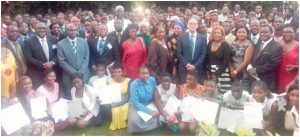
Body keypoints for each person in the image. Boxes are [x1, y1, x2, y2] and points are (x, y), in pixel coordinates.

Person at [57, 23, 90, 99]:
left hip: (83, 73)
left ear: (77, 31)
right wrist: (74, 72)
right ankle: (75, 110)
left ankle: (87, 110)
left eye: (75, 30)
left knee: (85, 95)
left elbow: (86, 57)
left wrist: (81, 70)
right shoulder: (60, 44)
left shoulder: (83, 41)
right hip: (69, 75)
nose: (73, 32)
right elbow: (61, 61)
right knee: (72, 96)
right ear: (66, 31)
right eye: (70, 30)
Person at [247, 26, 283, 93]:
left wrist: (256, 70)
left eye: (266, 32)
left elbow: (273, 64)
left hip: (267, 79)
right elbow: (253, 58)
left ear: (272, 33)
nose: (263, 34)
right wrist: (249, 67)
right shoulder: (258, 43)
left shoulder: (277, 47)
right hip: (253, 78)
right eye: (261, 32)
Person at [23, 22, 58, 89]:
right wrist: (44, 65)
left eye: (44, 28)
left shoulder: (53, 39)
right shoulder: (29, 41)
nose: (42, 30)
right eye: (39, 28)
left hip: (52, 71)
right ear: (35, 29)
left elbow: (57, 53)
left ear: (47, 29)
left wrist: (52, 62)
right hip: (37, 72)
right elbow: (28, 58)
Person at [128, 66, 158, 133]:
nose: (145, 75)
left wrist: (156, 104)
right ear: (138, 74)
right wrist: (150, 111)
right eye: (143, 73)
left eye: (147, 73)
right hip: (136, 104)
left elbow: (156, 93)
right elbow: (136, 103)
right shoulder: (134, 85)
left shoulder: (152, 80)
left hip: (150, 103)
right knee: (134, 121)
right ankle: (142, 129)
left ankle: (151, 125)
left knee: (156, 115)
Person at [177, 18, 207, 83]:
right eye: (190, 24)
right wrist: (187, 64)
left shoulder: (203, 38)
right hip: (184, 68)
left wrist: (194, 66)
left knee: (196, 89)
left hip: (197, 68)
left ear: (197, 26)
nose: (192, 25)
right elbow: (179, 53)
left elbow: (203, 54)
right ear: (187, 25)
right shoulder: (181, 37)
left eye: (194, 24)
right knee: (184, 89)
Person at [206, 26, 232, 93]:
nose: (216, 34)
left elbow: (226, 61)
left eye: (218, 33)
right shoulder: (210, 43)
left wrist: (217, 73)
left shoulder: (225, 45)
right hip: (211, 71)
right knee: (213, 91)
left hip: (222, 72)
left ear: (222, 34)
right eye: (214, 33)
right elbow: (208, 58)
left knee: (223, 91)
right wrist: (209, 71)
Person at [229, 27, 254, 91]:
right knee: (233, 90)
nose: (241, 34)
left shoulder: (249, 44)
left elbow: (246, 61)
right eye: (239, 32)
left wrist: (235, 71)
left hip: (242, 72)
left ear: (247, 34)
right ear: (236, 33)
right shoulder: (233, 43)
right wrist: (231, 70)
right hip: (231, 70)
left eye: (243, 32)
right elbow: (228, 57)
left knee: (242, 90)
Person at [108, 63, 131, 130]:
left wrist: (119, 104)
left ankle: (125, 123)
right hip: (114, 101)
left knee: (125, 107)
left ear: (122, 72)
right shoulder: (109, 81)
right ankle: (119, 125)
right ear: (113, 73)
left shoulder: (128, 80)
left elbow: (129, 95)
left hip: (125, 101)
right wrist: (113, 103)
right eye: (116, 72)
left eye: (120, 72)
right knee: (115, 111)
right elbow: (107, 94)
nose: (118, 73)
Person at [277, 24, 299, 94]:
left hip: (293, 77)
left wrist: (296, 67)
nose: (287, 34)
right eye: (285, 32)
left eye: (290, 32)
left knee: (291, 96)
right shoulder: (278, 44)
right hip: (278, 76)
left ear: (294, 33)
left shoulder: (298, 46)